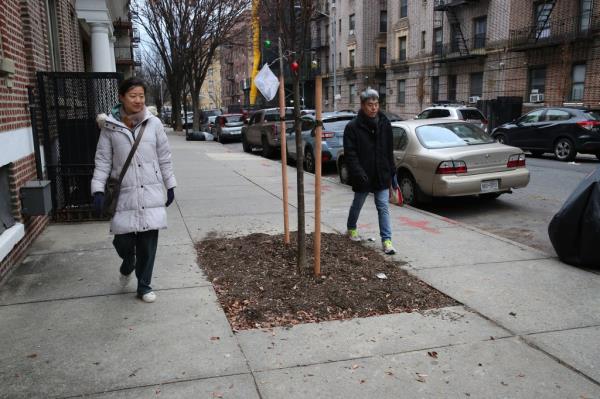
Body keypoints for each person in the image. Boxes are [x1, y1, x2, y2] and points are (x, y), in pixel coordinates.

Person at [91, 77, 177, 303]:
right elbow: (102, 162)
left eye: (141, 96)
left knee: (148, 243)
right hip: (124, 194)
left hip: (150, 191)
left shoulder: (154, 124)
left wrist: (170, 185)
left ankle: (144, 286)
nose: (138, 100)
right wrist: (98, 190)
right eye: (133, 96)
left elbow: (165, 158)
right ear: (122, 97)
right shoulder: (110, 127)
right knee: (123, 241)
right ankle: (128, 262)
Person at [343, 88, 398, 255]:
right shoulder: (353, 127)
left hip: (381, 174)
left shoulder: (385, 123)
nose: (374, 108)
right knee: (358, 204)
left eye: (376, 104)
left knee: (383, 206)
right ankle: (351, 228)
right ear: (362, 105)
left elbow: (389, 150)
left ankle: (387, 241)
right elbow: (350, 154)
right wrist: (358, 172)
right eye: (370, 105)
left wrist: (392, 172)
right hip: (363, 176)